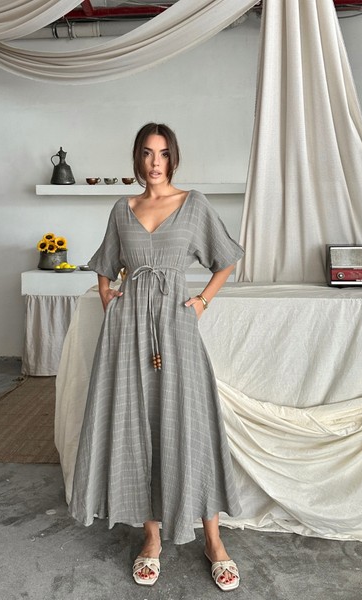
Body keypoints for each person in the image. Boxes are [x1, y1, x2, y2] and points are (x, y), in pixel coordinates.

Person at [68, 123, 245, 591]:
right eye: (147, 153)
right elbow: (106, 264)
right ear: (137, 158)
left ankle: (213, 540)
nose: (155, 163)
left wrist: (202, 301)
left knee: (190, 424)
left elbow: (225, 259)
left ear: (173, 158)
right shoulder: (122, 209)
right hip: (128, 332)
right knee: (139, 425)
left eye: (163, 154)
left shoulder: (193, 204)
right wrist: (108, 297)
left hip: (175, 326)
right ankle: (151, 538)